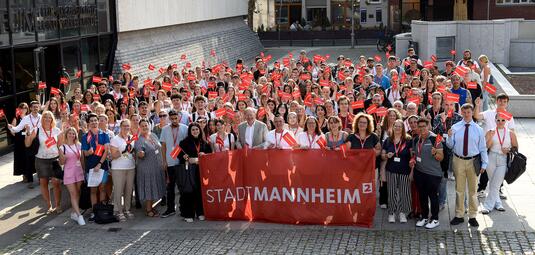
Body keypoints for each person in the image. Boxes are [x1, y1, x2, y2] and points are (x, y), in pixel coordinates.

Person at [447, 103, 488, 227]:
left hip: (473, 161)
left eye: (468, 112)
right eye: (464, 112)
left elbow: (483, 147)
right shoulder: (455, 127)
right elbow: (450, 145)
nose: (466, 114)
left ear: (472, 112)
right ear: (461, 113)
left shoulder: (478, 129)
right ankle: (459, 215)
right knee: (459, 189)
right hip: (458, 160)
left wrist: (484, 163)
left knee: (473, 190)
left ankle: (472, 216)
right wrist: (449, 137)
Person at [474, 94, 514, 199]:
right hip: (489, 144)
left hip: (502, 148)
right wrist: (477, 105)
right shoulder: (489, 113)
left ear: (507, 103)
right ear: (496, 101)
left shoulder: (509, 116)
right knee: (486, 167)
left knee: (500, 170)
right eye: (500, 101)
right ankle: (481, 188)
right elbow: (477, 116)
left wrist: (509, 148)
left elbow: (512, 132)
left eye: (504, 101)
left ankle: (498, 189)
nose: (502, 103)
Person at [24, 111, 62, 213]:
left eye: (49, 117)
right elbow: (27, 144)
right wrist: (27, 133)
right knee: (43, 183)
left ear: (52, 119)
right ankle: (49, 205)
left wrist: (62, 158)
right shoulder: (37, 130)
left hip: (55, 159)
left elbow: (60, 146)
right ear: (42, 119)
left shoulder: (57, 130)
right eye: (45, 117)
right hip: (41, 159)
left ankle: (58, 205)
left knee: (56, 182)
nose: (47, 119)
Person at [480, 115, 518, 214]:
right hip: (491, 157)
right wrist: (490, 138)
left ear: (506, 121)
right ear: (495, 120)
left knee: (496, 183)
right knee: (493, 182)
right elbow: (485, 147)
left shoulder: (510, 133)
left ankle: (487, 206)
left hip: (503, 159)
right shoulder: (491, 131)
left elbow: (516, 147)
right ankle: (497, 203)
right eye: (498, 120)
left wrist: (509, 150)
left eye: (503, 120)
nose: (500, 122)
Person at [411, 118, 444, 229]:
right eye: (419, 127)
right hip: (419, 172)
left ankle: (435, 219)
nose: (421, 129)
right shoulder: (416, 139)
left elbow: (441, 157)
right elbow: (415, 154)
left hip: (433, 174)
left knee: (433, 196)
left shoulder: (436, 138)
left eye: (423, 126)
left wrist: (435, 154)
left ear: (428, 126)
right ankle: (424, 217)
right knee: (422, 196)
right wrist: (413, 160)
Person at [178, 123, 212, 222]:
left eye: (197, 129)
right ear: (190, 131)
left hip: (200, 171)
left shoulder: (204, 142)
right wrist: (185, 158)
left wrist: (204, 154)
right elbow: (178, 155)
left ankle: (200, 212)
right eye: (193, 130)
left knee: (199, 192)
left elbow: (210, 155)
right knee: (188, 192)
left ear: (200, 131)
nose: (195, 131)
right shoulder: (184, 142)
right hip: (189, 171)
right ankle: (188, 214)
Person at [380, 119, 412, 223]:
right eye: (396, 126)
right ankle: (391, 213)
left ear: (403, 128)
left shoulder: (408, 140)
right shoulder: (388, 140)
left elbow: (412, 155)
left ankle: (403, 213)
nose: (398, 128)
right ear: (393, 127)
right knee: (392, 192)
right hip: (391, 170)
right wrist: (386, 155)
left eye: (400, 126)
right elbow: (382, 155)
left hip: (404, 170)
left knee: (405, 192)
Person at [134, 118, 166, 217]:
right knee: (149, 187)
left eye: (146, 125)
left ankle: (151, 207)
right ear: (139, 127)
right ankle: (148, 209)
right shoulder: (139, 140)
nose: (144, 127)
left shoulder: (153, 135)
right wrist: (140, 154)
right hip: (146, 169)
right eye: (142, 126)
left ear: (149, 126)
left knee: (154, 187)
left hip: (156, 167)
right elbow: (139, 153)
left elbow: (159, 148)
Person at [160, 110, 188, 218]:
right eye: (172, 119)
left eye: (176, 118)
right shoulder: (165, 129)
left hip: (181, 162)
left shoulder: (185, 128)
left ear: (179, 117)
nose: (174, 120)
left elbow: (186, 144)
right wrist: (164, 161)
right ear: (169, 119)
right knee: (170, 187)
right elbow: (163, 146)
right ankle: (170, 209)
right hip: (170, 162)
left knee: (182, 187)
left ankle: (182, 209)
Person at [81, 113, 110, 219]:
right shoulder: (85, 136)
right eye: (91, 121)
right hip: (91, 167)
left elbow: (106, 151)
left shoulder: (104, 134)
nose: (93, 122)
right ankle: (94, 211)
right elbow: (84, 153)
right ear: (88, 123)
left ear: (98, 122)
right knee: (93, 190)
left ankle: (101, 209)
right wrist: (89, 152)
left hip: (102, 166)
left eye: (95, 120)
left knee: (102, 188)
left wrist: (100, 164)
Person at [109, 119, 136, 221]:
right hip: (118, 168)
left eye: (128, 126)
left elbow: (133, 153)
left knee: (129, 190)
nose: (126, 128)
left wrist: (131, 150)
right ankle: (118, 211)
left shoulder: (131, 138)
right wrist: (124, 150)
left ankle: (127, 209)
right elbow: (114, 155)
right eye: (124, 126)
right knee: (118, 190)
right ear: (120, 127)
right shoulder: (115, 139)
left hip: (130, 167)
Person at [58, 127, 86, 225]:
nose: (71, 135)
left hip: (79, 171)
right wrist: (63, 158)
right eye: (69, 133)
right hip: (69, 172)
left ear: (75, 135)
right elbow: (61, 163)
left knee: (78, 192)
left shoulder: (79, 145)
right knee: (73, 193)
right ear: (66, 135)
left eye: (73, 133)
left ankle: (74, 212)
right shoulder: (62, 147)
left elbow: (82, 159)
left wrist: (84, 170)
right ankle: (79, 215)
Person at [10, 103, 35, 188]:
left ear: (27, 109)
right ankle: (24, 175)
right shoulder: (16, 118)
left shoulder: (29, 118)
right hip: (19, 142)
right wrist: (13, 130)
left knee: (30, 157)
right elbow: (13, 131)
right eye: (21, 108)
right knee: (22, 158)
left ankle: (31, 173)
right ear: (19, 109)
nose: (23, 109)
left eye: (25, 108)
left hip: (28, 140)